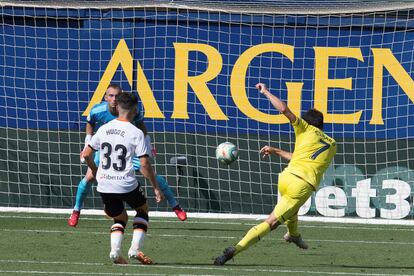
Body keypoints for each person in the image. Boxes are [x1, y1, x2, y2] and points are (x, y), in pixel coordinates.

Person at [214, 83, 337, 265]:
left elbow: (284, 109)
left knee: (290, 209)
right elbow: (303, 158)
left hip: (286, 178)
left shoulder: (304, 128)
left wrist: (266, 92)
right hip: (301, 185)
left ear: (307, 121)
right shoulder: (333, 145)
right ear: (321, 125)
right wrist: (276, 150)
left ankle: (294, 235)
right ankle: (234, 250)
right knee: (271, 222)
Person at [68, 84, 187, 227]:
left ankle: (175, 205)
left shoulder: (132, 111)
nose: (114, 99)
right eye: (110, 96)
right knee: (89, 177)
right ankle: (76, 210)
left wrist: (148, 144)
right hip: (106, 149)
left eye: (117, 96)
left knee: (151, 174)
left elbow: (142, 126)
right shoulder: (97, 110)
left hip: (128, 151)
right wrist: (87, 142)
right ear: (105, 97)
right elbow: (90, 123)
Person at [83, 92, 163, 264]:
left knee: (120, 218)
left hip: (104, 184)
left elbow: (86, 154)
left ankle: (115, 252)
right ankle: (134, 249)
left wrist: (95, 171)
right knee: (142, 210)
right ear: (135, 109)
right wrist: (156, 187)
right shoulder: (136, 133)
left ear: (117, 107)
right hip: (126, 183)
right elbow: (144, 165)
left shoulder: (103, 129)